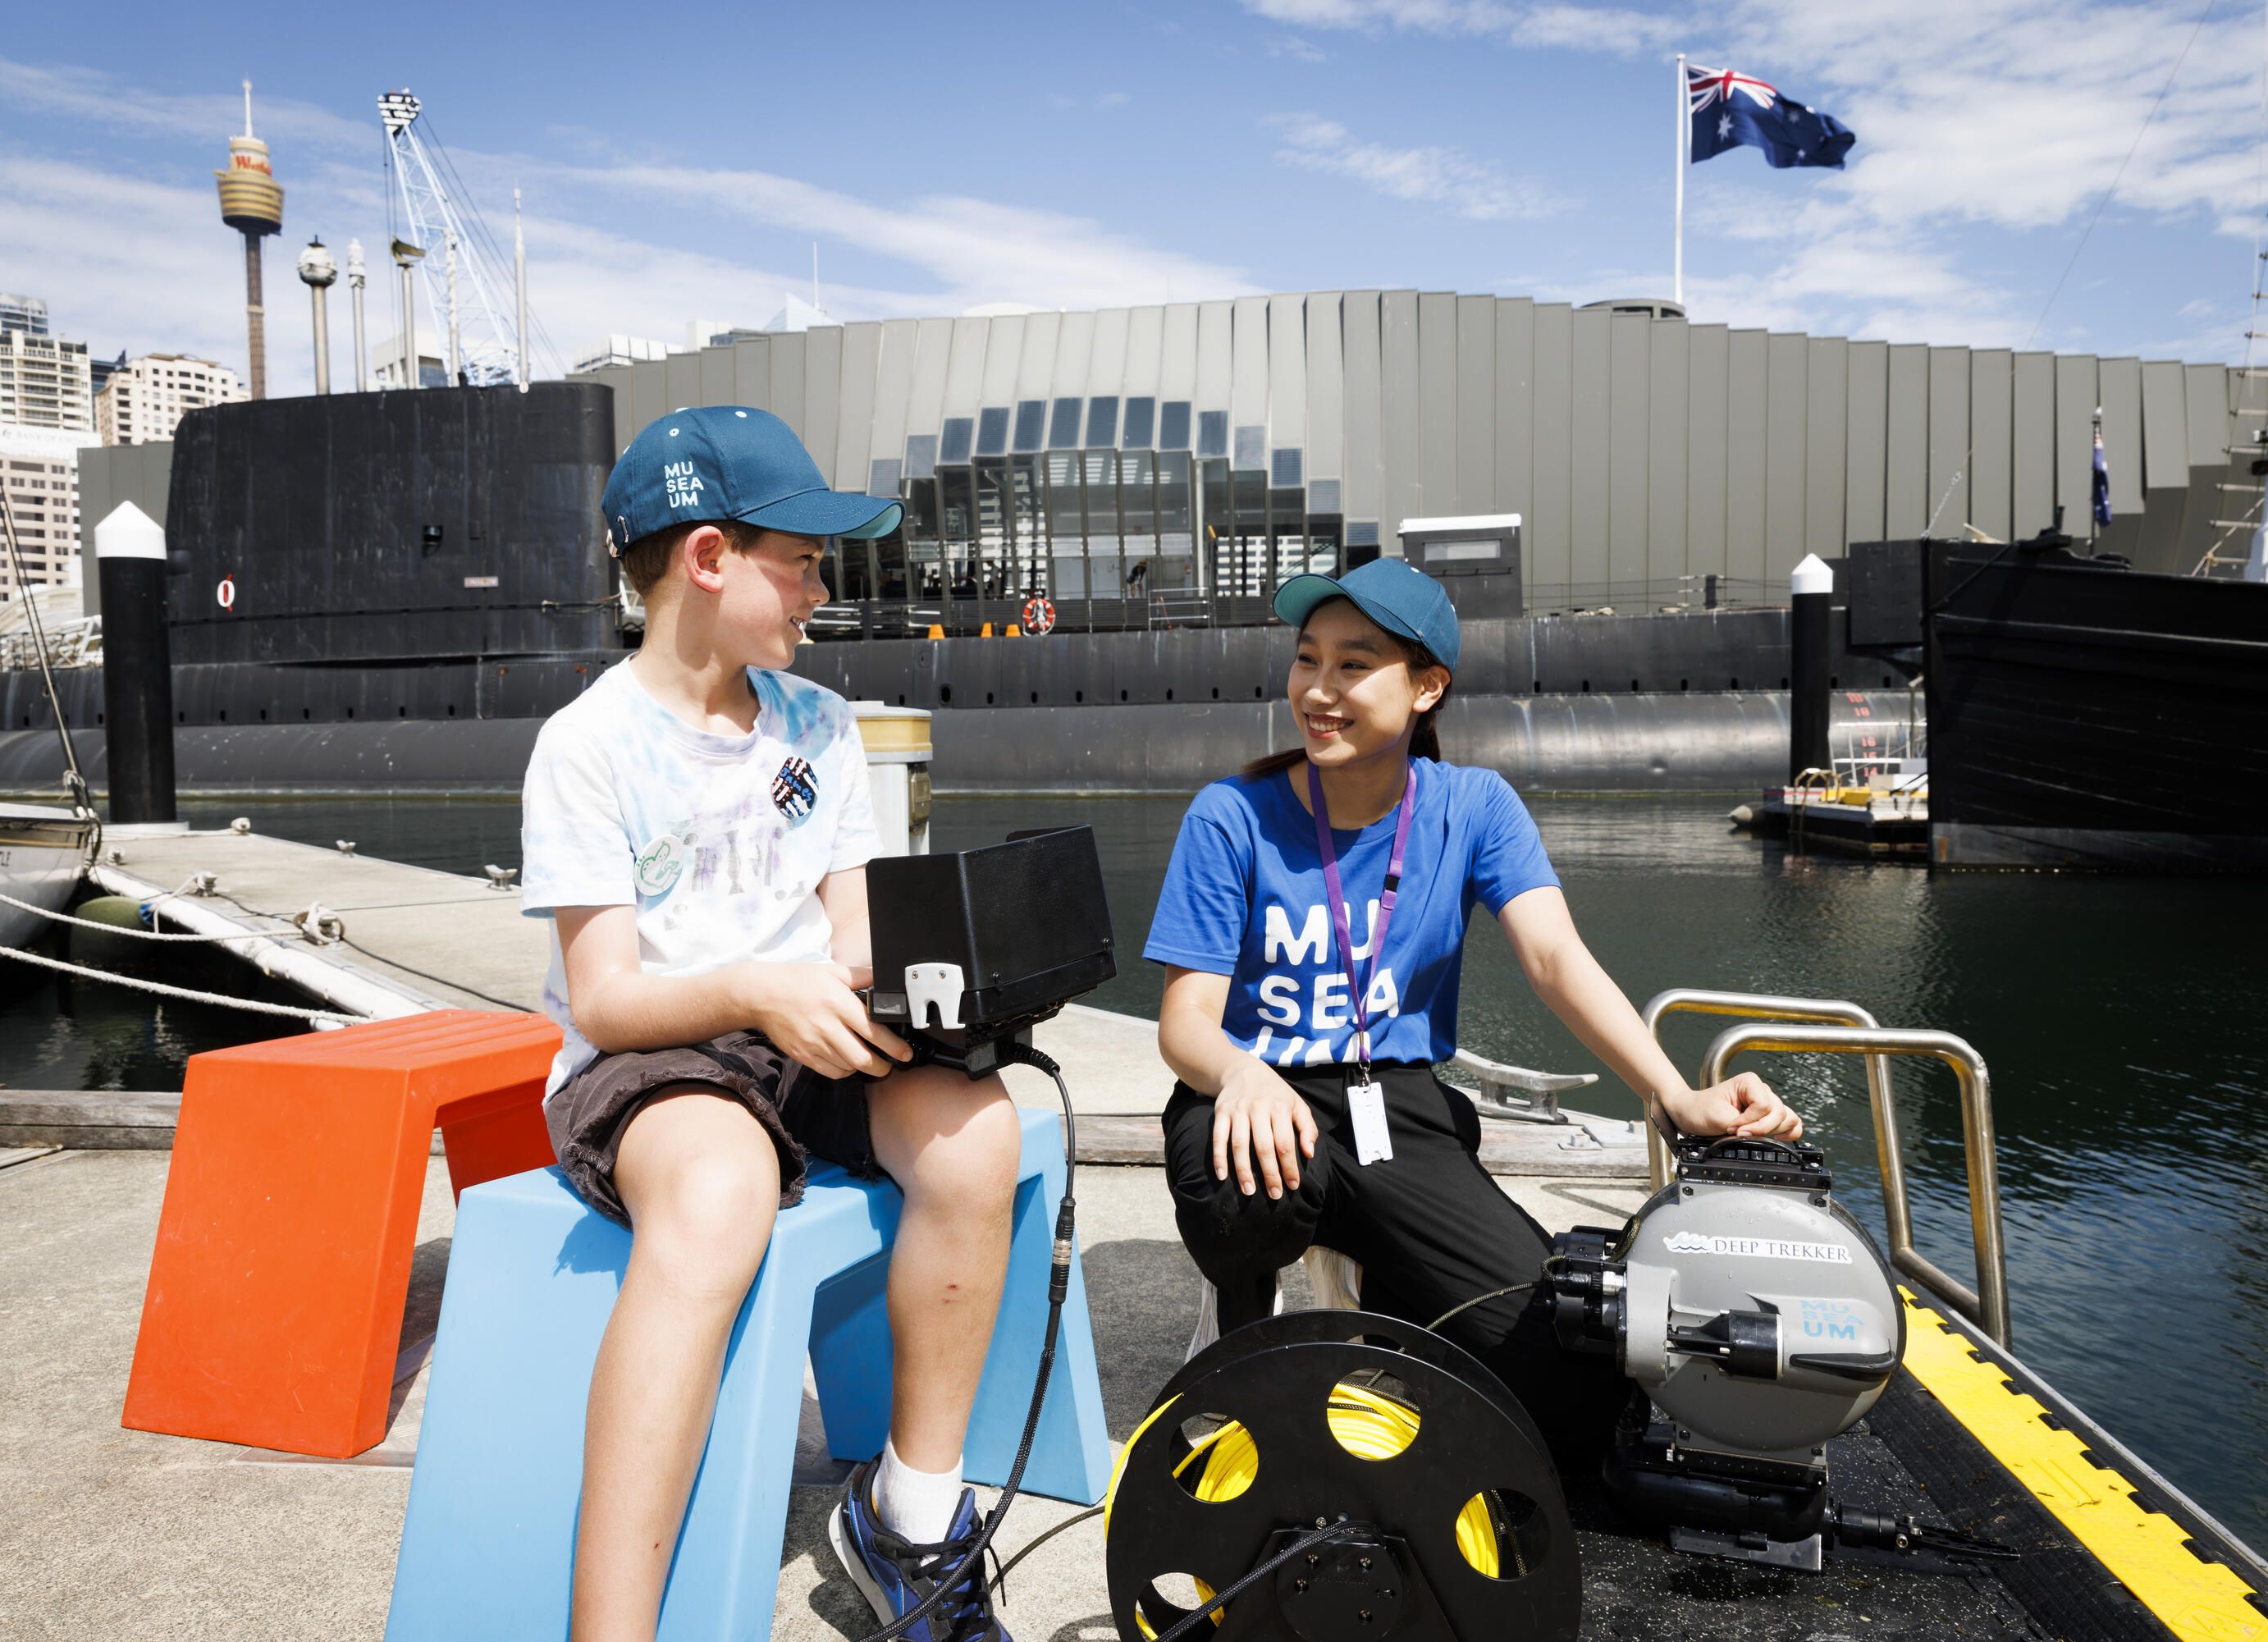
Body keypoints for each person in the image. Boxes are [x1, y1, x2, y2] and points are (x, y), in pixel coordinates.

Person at [522, 405, 1022, 1642]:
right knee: (718, 1193)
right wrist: (754, 989)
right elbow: (606, 998)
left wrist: (915, 993)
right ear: (707, 559)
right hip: (657, 1053)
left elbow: (850, 939)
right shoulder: (584, 748)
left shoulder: (823, 724)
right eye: (799, 559)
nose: (818, 589)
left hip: (804, 1029)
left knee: (980, 1135)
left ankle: (910, 1515)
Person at [1143, 557, 1799, 1464]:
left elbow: (1556, 960)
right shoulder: (1232, 817)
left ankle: (1382, 1282)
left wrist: (1675, 1095)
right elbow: (1185, 1026)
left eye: (1353, 665)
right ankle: (1242, 1308)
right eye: (1308, 660)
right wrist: (1241, 1072)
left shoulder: (1475, 807)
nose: (1319, 690)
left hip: (1391, 1099)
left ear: (1426, 687)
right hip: (1255, 1093)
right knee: (1240, 1196)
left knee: (1569, 1389)